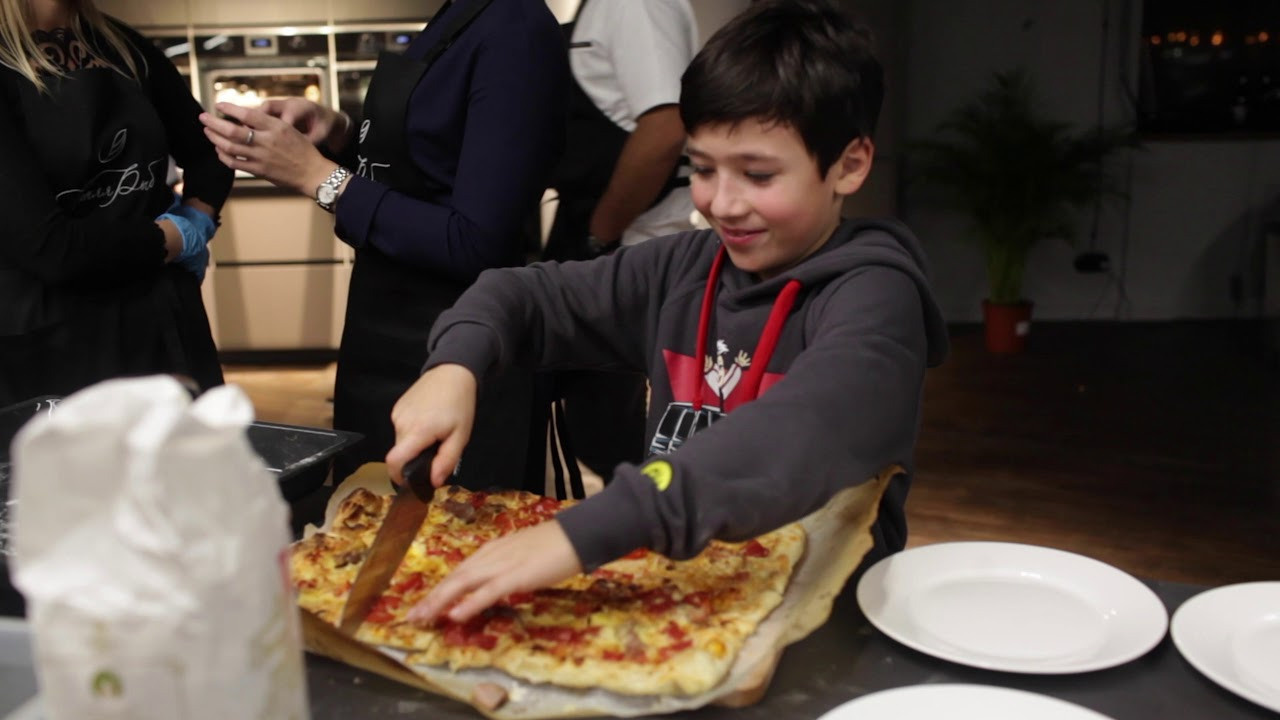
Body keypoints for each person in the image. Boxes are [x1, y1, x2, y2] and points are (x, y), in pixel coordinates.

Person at [390, 0, 950, 624]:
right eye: (702, 169)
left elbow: (798, 433)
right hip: (689, 607)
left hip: (822, 620)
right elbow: (519, 295)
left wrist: (584, 531)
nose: (722, 203)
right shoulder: (683, 266)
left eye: (759, 175)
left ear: (849, 165)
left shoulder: (876, 296)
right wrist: (456, 366)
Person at [199, 0, 569, 487]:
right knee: (365, 522)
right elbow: (430, 166)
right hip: (383, 333)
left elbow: (474, 240)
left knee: (438, 545)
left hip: (454, 344)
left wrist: (320, 177)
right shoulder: (455, 17)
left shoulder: (515, 28)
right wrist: (339, 134)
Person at [0, 0, 232, 407]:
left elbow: (209, 153)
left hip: (162, 321)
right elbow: (52, 249)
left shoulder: (122, 46)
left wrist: (199, 215)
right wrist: (174, 238)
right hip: (49, 339)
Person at [541, 0, 699, 485]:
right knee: (593, 418)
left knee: (608, 424)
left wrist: (602, 233)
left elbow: (665, 128)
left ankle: (666, 530)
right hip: (594, 228)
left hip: (631, 234)